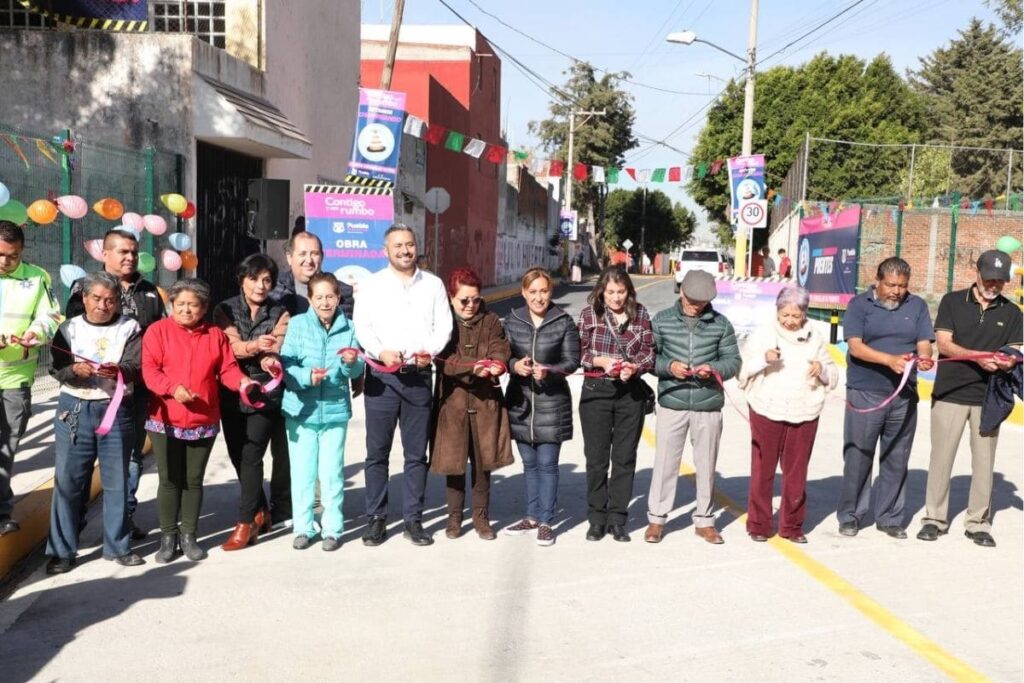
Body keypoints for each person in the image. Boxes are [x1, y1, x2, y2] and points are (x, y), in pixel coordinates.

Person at [142, 279, 254, 563]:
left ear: (204, 307)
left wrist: (243, 382)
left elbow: (227, 368)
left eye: (193, 305)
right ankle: (168, 538)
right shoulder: (157, 332)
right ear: (172, 306)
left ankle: (189, 535)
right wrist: (173, 389)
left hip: (202, 418)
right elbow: (150, 371)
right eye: (180, 304)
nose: (186, 310)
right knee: (169, 480)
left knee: (193, 480)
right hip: (165, 418)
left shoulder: (215, 336)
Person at [354, 224, 452, 547]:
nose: (405, 251)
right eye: (398, 246)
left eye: (409, 244)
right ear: (386, 251)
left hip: (418, 378)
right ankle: (376, 519)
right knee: (377, 454)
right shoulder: (371, 285)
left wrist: (431, 351)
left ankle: (414, 519)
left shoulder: (434, 285)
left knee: (415, 455)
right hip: (382, 378)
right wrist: (379, 350)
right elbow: (363, 327)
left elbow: (444, 328)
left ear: (416, 247)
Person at [918, 251, 1022, 547]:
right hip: (951, 392)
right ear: (976, 273)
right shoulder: (952, 301)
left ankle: (978, 523)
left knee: (984, 462)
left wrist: (1007, 362)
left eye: (1000, 281)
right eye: (989, 278)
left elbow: (1014, 351)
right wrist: (979, 358)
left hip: (990, 398)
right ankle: (934, 519)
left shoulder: (1012, 312)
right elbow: (945, 344)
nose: (994, 285)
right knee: (941, 458)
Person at [66, 228, 165, 540]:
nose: (130, 257)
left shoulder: (149, 291)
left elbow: (156, 340)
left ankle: (123, 519)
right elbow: (71, 335)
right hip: (88, 393)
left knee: (132, 457)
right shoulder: (83, 288)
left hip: (132, 392)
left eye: (134, 251)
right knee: (81, 464)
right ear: (104, 254)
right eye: (122, 251)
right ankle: (73, 523)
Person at [45, 272, 145, 574]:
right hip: (74, 410)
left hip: (115, 410)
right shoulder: (69, 328)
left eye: (111, 300)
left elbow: (136, 364)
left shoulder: (129, 327)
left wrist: (119, 370)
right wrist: (74, 369)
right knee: (69, 481)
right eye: (98, 298)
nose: (104, 305)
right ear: (85, 299)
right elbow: (56, 367)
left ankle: (118, 546)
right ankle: (62, 550)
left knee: (117, 481)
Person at [838, 257, 934, 539]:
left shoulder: (916, 306)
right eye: (891, 285)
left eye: (902, 286)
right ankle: (851, 515)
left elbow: (923, 341)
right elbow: (855, 347)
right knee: (858, 456)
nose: (896, 291)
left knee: (896, 457)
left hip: (904, 395)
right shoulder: (859, 305)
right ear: (877, 281)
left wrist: (925, 358)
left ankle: (890, 517)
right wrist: (888, 360)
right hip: (865, 392)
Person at [645, 270, 740, 544]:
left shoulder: (721, 325)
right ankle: (657, 519)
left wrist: (713, 369)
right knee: (665, 463)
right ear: (681, 291)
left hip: (707, 405)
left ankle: (705, 521)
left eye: (702, 301)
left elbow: (733, 361)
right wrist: (669, 367)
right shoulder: (661, 321)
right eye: (691, 299)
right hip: (672, 402)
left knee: (706, 464)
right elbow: (650, 359)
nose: (695, 305)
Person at [738, 285, 838, 543]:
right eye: (785, 315)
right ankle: (759, 524)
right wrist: (764, 359)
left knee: (796, 472)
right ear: (777, 311)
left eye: (796, 316)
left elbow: (831, 370)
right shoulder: (764, 334)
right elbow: (744, 367)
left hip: (804, 408)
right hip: (767, 408)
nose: (790, 321)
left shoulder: (814, 335)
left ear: (805, 313)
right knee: (763, 469)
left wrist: (821, 369)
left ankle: (792, 526)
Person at [280, 272, 364, 551]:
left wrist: (350, 363)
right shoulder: (297, 325)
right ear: (310, 299)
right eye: (319, 297)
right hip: (301, 411)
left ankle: (332, 529)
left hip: (334, 410)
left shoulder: (350, 328)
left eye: (331, 296)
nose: (326, 302)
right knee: (303, 474)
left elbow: (354, 371)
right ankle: (303, 527)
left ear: (339, 297)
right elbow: (287, 366)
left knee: (331, 474)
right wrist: (307, 377)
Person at [213, 254, 291, 551]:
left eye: (267, 280)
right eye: (254, 278)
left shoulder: (280, 311)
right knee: (237, 455)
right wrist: (257, 346)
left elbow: (280, 343)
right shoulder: (225, 310)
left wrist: (271, 359)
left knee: (252, 455)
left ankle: (245, 523)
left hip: (264, 392)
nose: (261, 285)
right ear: (242, 279)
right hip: (232, 390)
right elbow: (229, 347)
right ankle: (260, 510)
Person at [431, 267, 513, 541]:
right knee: (454, 465)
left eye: (475, 299)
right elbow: (442, 358)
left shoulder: (490, 320)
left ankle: (481, 518)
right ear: (451, 297)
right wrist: (470, 367)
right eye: (464, 300)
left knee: (482, 465)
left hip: (485, 403)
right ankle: (454, 519)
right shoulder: (443, 322)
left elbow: (500, 346)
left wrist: (497, 364)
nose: (470, 305)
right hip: (452, 405)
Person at [502, 267, 581, 546]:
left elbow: (572, 361)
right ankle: (532, 516)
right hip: (520, 403)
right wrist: (514, 365)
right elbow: (503, 356)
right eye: (532, 292)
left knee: (547, 465)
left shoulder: (563, 321)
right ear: (524, 292)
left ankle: (546, 521)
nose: (538, 297)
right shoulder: (512, 320)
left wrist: (550, 371)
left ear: (551, 291)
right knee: (529, 464)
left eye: (543, 291)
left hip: (552, 404)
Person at [577, 266, 654, 542]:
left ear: (629, 291)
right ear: (601, 291)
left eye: (621, 292)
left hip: (629, 394)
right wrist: (599, 361)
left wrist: (634, 367)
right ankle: (596, 518)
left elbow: (649, 353)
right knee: (596, 460)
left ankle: (618, 518)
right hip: (596, 391)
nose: (616, 298)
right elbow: (579, 351)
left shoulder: (641, 314)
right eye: (610, 292)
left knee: (624, 458)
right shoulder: (589, 315)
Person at [0, 221, 61, 537]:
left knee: (6, 447)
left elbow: (50, 315)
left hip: (15, 378)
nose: (4, 262)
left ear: (21, 252)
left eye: (11, 256)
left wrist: (34, 334)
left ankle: (1, 512)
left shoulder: (37, 277)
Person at [271, 230, 353, 319]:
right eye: (302, 254)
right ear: (289, 257)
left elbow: (342, 328)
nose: (309, 260)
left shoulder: (342, 291)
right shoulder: (274, 288)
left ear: (322, 257)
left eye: (315, 254)